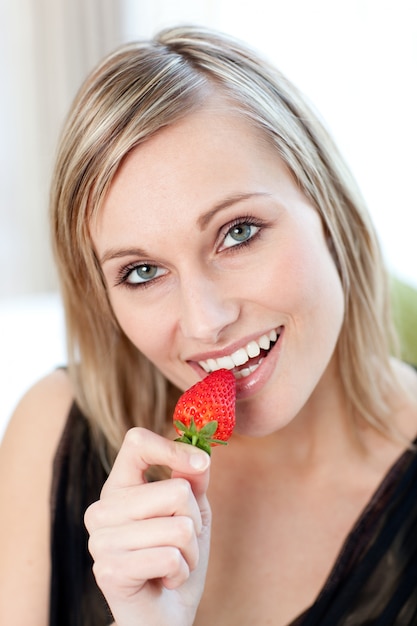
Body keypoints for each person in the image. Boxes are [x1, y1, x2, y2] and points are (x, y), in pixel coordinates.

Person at [1, 24, 416, 626]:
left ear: (327, 208)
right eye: (142, 272)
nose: (205, 322)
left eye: (238, 233)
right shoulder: (53, 430)